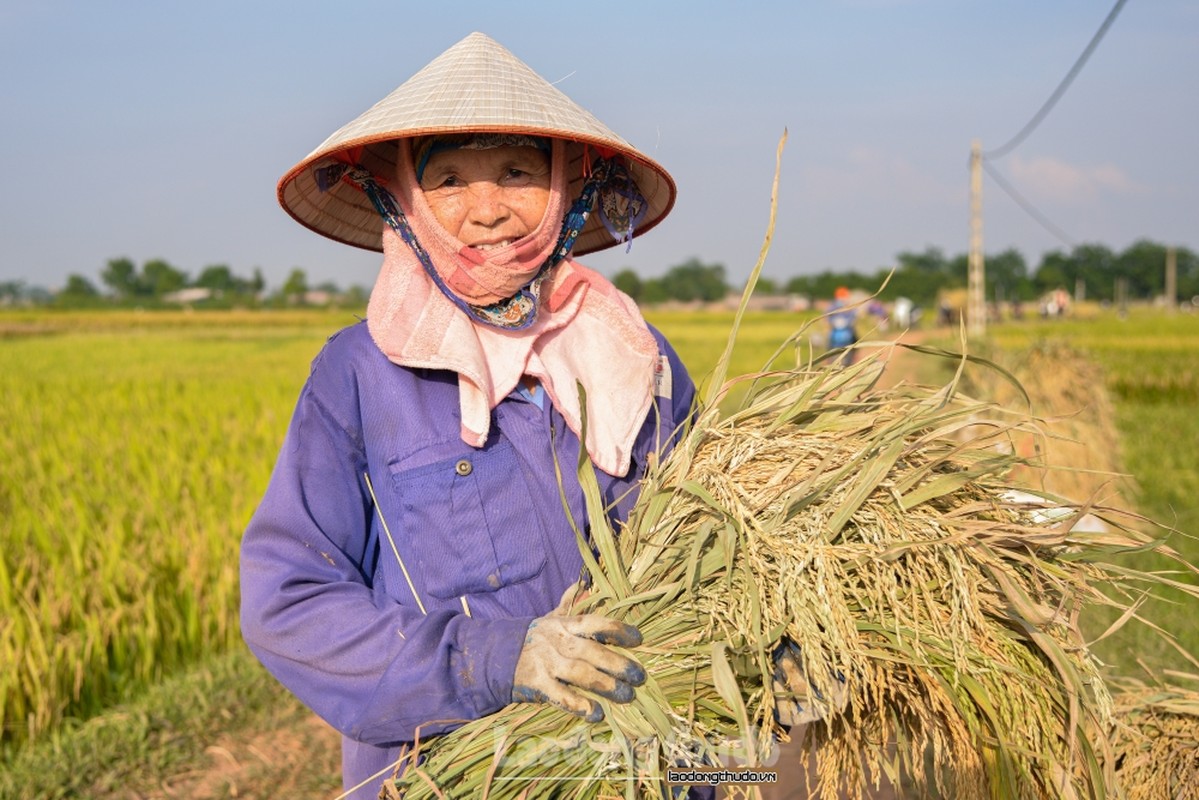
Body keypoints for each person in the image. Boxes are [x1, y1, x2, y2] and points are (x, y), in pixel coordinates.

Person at [238, 33, 697, 798]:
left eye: (518, 172)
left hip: (643, 761)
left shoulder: (637, 359)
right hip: (451, 774)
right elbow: (289, 601)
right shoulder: (360, 374)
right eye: (448, 180)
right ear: (404, 201)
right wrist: (496, 659)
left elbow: (709, 544)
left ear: (566, 187)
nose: (488, 212)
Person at [827, 286, 859, 364]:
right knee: (829, 340)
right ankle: (827, 357)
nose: (842, 298)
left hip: (848, 329)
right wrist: (831, 321)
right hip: (836, 329)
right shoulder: (833, 306)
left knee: (855, 339)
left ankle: (855, 354)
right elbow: (828, 315)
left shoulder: (850, 306)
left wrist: (851, 321)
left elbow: (854, 315)